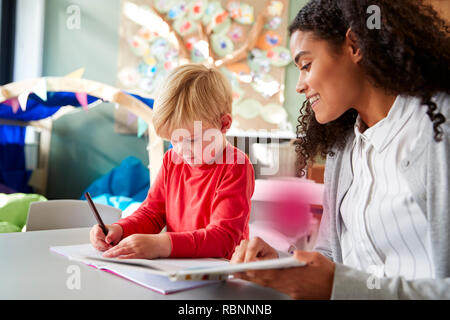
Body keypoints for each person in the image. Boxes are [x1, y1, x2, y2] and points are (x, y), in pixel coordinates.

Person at [231, 0, 449, 299]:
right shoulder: (343, 149)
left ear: (355, 45)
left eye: (306, 65)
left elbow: (342, 283)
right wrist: (283, 266)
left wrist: (339, 286)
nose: (299, 85)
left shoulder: (439, 127)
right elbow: (333, 258)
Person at [90, 63, 255, 260]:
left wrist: (161, 244)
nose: (181, 149)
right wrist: (119, 229)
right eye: (173, 140)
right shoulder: (173, 159)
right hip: (176, 270)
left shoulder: (236, 166)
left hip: (220, 272)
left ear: (224, 124)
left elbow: (224, 239)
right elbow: (152, 213)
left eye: (191, 139)